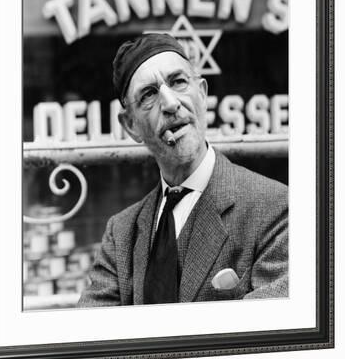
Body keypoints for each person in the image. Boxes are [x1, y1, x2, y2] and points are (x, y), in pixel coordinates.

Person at [78, 33, 288, 307]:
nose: (171, 103)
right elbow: (91, 335)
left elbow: (270, 336)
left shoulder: (273, 208)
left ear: (202, 94)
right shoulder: (121, 234)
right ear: (130, 125)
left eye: (178, 82)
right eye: (149, 94)